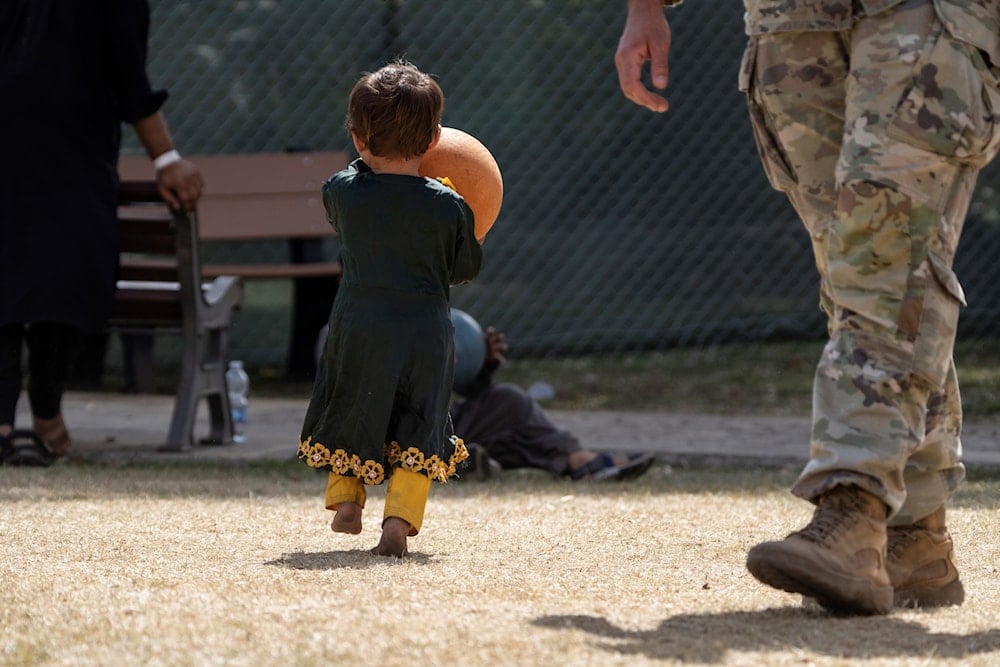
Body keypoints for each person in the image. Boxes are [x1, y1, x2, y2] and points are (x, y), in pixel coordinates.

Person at [616, 0, 1000, 614]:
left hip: (924, 16)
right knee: (857, 281)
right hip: (789, 23)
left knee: (884, 262)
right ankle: (913, 536)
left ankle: (853, 508)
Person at [0, 0, 204, 466]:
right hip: (62, 164)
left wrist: (166, 160)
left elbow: (128, 80)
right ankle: (23, 418)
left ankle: (37, 413)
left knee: (56, 285)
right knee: (56, 283)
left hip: (70, 161)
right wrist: (167, 160)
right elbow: (128, 78)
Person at [297, 60, 483, 557]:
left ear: (358, 138)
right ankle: (399, 522)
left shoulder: (341, 192)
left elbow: (353, 182)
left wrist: (368, 157)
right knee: (420, 418)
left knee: (353, 404)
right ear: (433, 141)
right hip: (425, 329)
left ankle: (346, 501)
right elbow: (463, 267)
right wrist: (462, 214)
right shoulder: (448, 205)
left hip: (358, 324)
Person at [451, 321, 657, 482]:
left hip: (446, 421)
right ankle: (463, 463)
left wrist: (478, 367)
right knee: (508, 410)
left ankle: (579, 461)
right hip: (424, 428)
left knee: (507, 400)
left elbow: (460, 393)